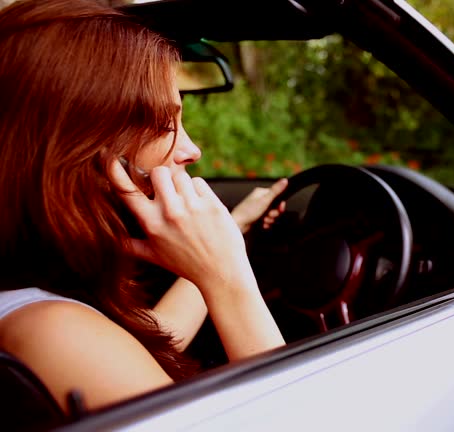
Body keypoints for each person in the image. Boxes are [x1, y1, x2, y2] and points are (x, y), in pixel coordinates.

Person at [0, 0, 287, 414]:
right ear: (81, 149)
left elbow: (153, 337)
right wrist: (231, 282)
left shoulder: (38, 302)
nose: (192, 149)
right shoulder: (54, 332)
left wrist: (229, 239)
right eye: (165, 124)